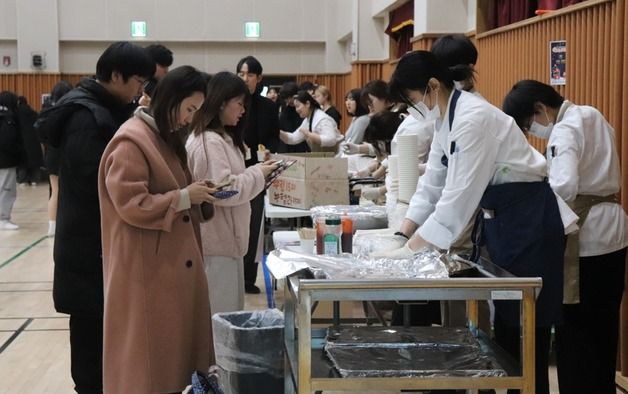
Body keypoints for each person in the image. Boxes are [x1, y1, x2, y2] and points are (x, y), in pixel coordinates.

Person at [374, 50, 566, 394]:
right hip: (502, 225)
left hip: (530, 223)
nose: (413, 108)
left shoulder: (472, 119)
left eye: (413, 99)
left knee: (527, 333)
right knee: (506, 331)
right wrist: (402, 234)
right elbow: (433, 183)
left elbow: (458, 200)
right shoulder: (445, 118)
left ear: (432, 86)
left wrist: (413, 249)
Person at [36, 41, 155, 394]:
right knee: (91, 341)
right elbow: (100, 185)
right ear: (115, 76)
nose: (140, 91)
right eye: (137, 81)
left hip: (98, 243)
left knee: (106, 335)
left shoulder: (106, 109)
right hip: (88, 246)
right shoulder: (86, 118)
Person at [503, 79, 628, 394]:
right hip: (614, 230)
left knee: (576, 332)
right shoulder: (592, 114)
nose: (534, 131)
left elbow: (564, 186)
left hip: (585, 240)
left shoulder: (564, 130)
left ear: (540, 109)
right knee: (604, 328)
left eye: (529, 124)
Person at [98, 65, 214, 394]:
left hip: (167, 270)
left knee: (173, 364)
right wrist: (182, 197)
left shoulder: (162, 138)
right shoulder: (131, 142)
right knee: (149, 367)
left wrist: (198, 193)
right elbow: (131, 203)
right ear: (171, 100)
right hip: (147, 274)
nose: (190, 118)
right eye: (189, 109)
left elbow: (173, 190)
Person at [187, 71, 279, 312]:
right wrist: (259, 174)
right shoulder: (209, 141)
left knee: (229, 316)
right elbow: (223, 192)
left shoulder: (222, 138)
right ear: (220, 103)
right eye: (239, 104)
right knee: (220, 323)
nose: (243, 111)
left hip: (227, 244)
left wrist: (259, 171)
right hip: (215, 247)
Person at [236, 55, 280, 294]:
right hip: (235, 169)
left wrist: (271, 150)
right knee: (236, 225)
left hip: (259, 169)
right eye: (241, 74)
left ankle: (247, 278)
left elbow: (274, 135)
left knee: (254, 225)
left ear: (259, 78)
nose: (244, 79)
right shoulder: (232, 103)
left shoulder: (269, 106)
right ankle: (235, 277)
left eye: (249, 74)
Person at [39, 80, 73, 236]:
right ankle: (58, 225)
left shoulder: (47, 110)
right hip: (65, 153)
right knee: (63, 190)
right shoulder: (68, 109)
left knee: (55, 190)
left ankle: (52, 226)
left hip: (51, 153)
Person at [279, 90, 343, 152]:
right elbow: (293, 138)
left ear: (307, 104)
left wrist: (309, 134)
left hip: (338, 156)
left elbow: (331, 140)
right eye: (295, 107)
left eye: (298, 106)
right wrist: (277, 131)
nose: (296, 110)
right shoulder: (307, 120)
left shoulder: (322, 118)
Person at [0, 91, 24, 230]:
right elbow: (8, 140)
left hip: (4, 160)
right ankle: (3, 218)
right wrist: (18, 152)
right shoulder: (8, 118)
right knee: (6, 189)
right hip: (5, 161)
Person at [15, 96, 42, 186]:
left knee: (22, 163)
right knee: (35, 162)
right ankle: (35, 180)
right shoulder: (34, 113)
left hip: (21, 141)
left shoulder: (16, 114)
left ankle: (23, 180)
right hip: (34, 142)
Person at [277, 81, 308, 153]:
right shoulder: (285, 111)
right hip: (287, 147)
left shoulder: (304, 109)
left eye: (291, 97)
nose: (289, 101)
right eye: (286, 98)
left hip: (302, 146)